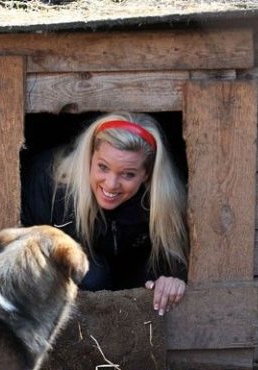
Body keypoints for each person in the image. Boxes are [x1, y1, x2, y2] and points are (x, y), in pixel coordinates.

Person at [21, 112, 188, 316]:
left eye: (128, 174)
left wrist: (172, 280)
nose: (111, 184)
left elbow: (174, 260)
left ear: (147, 174)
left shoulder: (162, 200)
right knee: (93, 275)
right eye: (103, 167)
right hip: (73, 291)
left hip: (132, 291)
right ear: (90, 155)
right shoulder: (49, 180)